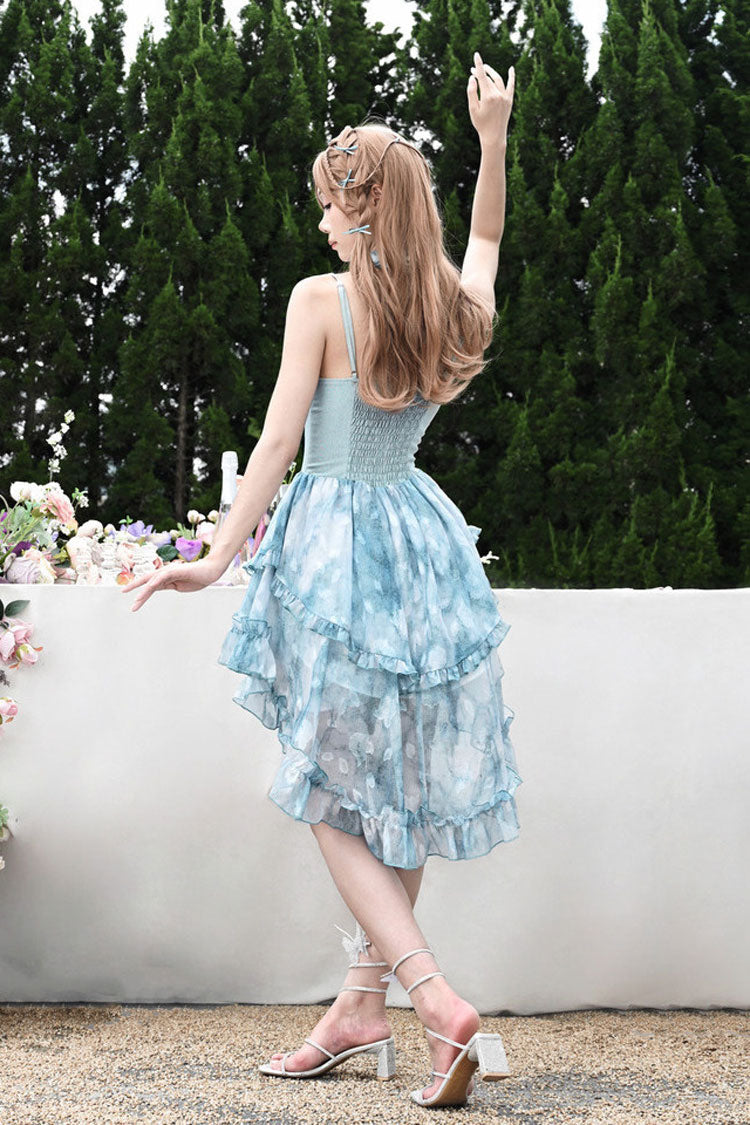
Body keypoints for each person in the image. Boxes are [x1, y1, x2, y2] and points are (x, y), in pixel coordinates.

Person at [123, 50, 519, 1110]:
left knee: (327, 791)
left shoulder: (320, 301)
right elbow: (485, 241)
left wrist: (215, 557)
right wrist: (493, 141)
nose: (320, 222)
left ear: (363, 208)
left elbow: (277, 447)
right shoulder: (450, 307)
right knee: (395, 794)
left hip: (336, 548)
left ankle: (433, 997)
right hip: (422, 545)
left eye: (329, 205)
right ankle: (359, 1008)